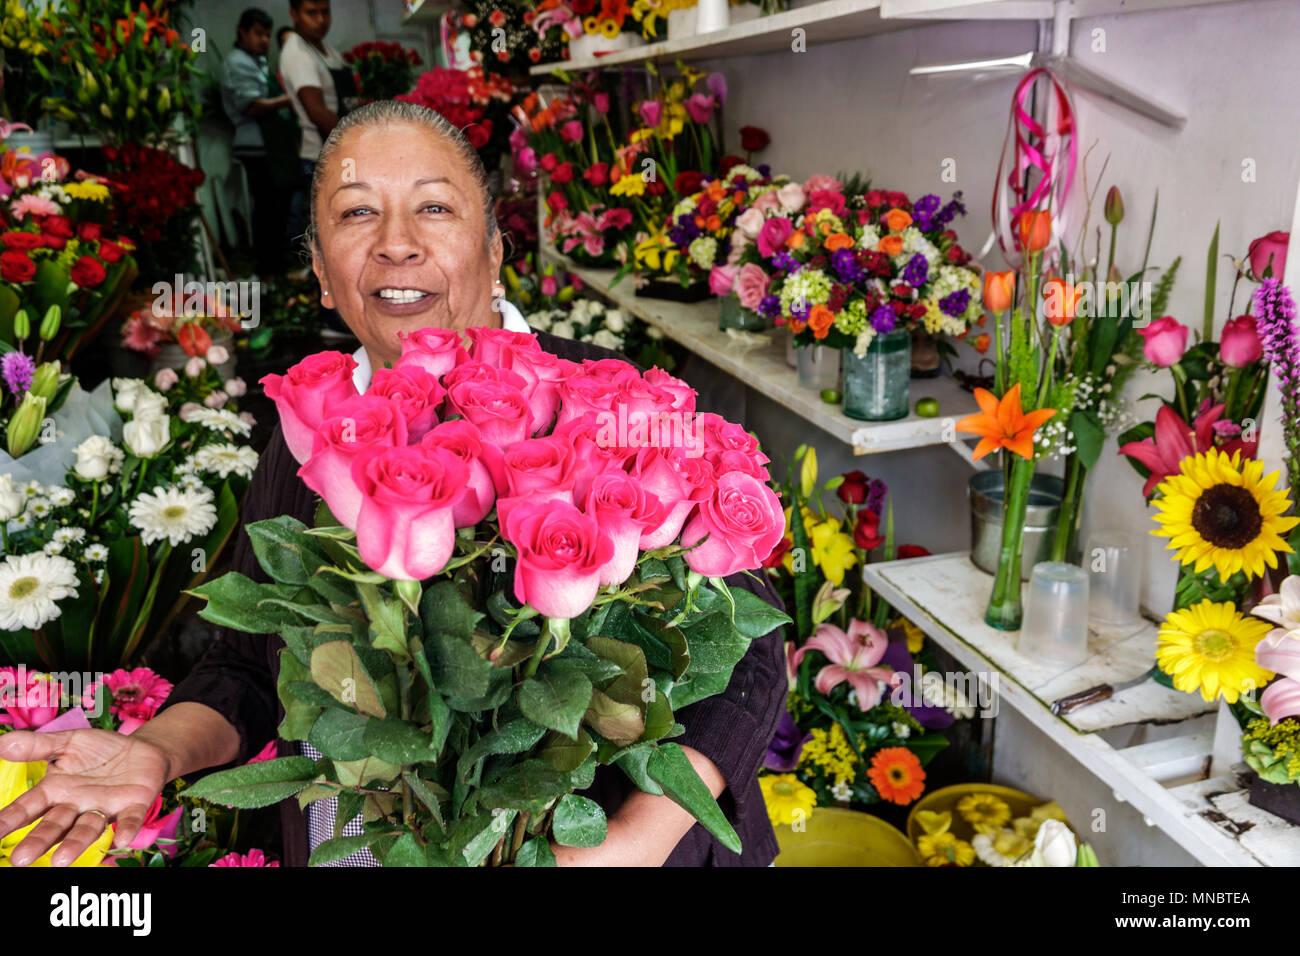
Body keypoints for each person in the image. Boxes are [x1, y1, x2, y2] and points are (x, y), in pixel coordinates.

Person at [0, 101, 788, 868]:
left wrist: (642, 838)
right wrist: (153, 751)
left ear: (495, 247)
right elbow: (244, 664)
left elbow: (750, 645)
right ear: (318, 270)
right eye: (355, 215)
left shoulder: (611, 401)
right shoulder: (313, 431)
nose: (396, 245)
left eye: (435, 208)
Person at [220, 8, 294, 276]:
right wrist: (293, 99)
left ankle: (277, 266)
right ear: (242, 32)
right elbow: (251, 106)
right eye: (258, 34)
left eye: (267, 35)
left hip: (272, 147)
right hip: (255, 147)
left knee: (278, 208)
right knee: (266, 209)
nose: (264, 40)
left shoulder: (257, 61)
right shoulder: (238, 62)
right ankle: (267, 269)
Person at [279, 0, 356, 248]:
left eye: (325, 12)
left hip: (339, 149)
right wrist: (358, 138)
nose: (321, 20)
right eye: (311, 13)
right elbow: (317, 112)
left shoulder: (326, 51)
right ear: (294, 14)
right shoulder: (297, 54)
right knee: (326, 236)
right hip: (320, 157)